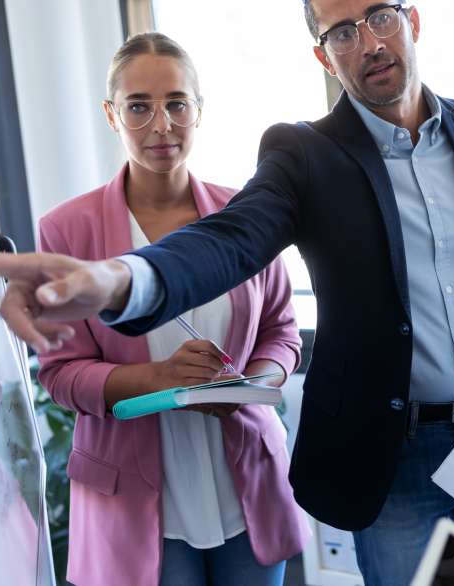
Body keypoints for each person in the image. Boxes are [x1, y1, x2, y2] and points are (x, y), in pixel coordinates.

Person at [0, 1, 454, 584]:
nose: (368, 42)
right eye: (342, 32)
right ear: (323, 54)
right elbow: (226, 242)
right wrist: (116, 279)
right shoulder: (303, 154)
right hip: (391, 457)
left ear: (412, 21)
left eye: (381, 16)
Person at [34, 33, 309, 586]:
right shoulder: (66, 230)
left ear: (198, 110)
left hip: (243, 481)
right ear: (113, 116)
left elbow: (282, 330)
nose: (161, 125)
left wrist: (249, 383)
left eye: (176, 103)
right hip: (133, 497)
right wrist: (160, 379)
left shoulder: (245, 214)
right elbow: (61, 375)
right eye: (139, 106)